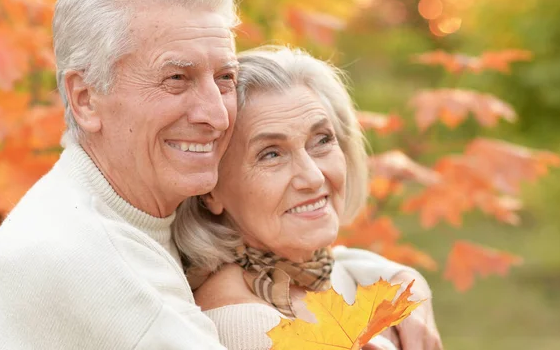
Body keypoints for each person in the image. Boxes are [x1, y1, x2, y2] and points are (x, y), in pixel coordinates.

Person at [0, 0, 239, 348]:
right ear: (85, 99)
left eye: (225, 77)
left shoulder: (95, 210)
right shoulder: (95, 263)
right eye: (176, 78)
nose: (217, 115)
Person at [175, 46, 444, 350]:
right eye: (271, 154)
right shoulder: (247, 327)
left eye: (322, 140)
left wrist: (409, 284)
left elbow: (347, 263)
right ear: (210, 189)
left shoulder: (315, 268)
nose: (314, 177)